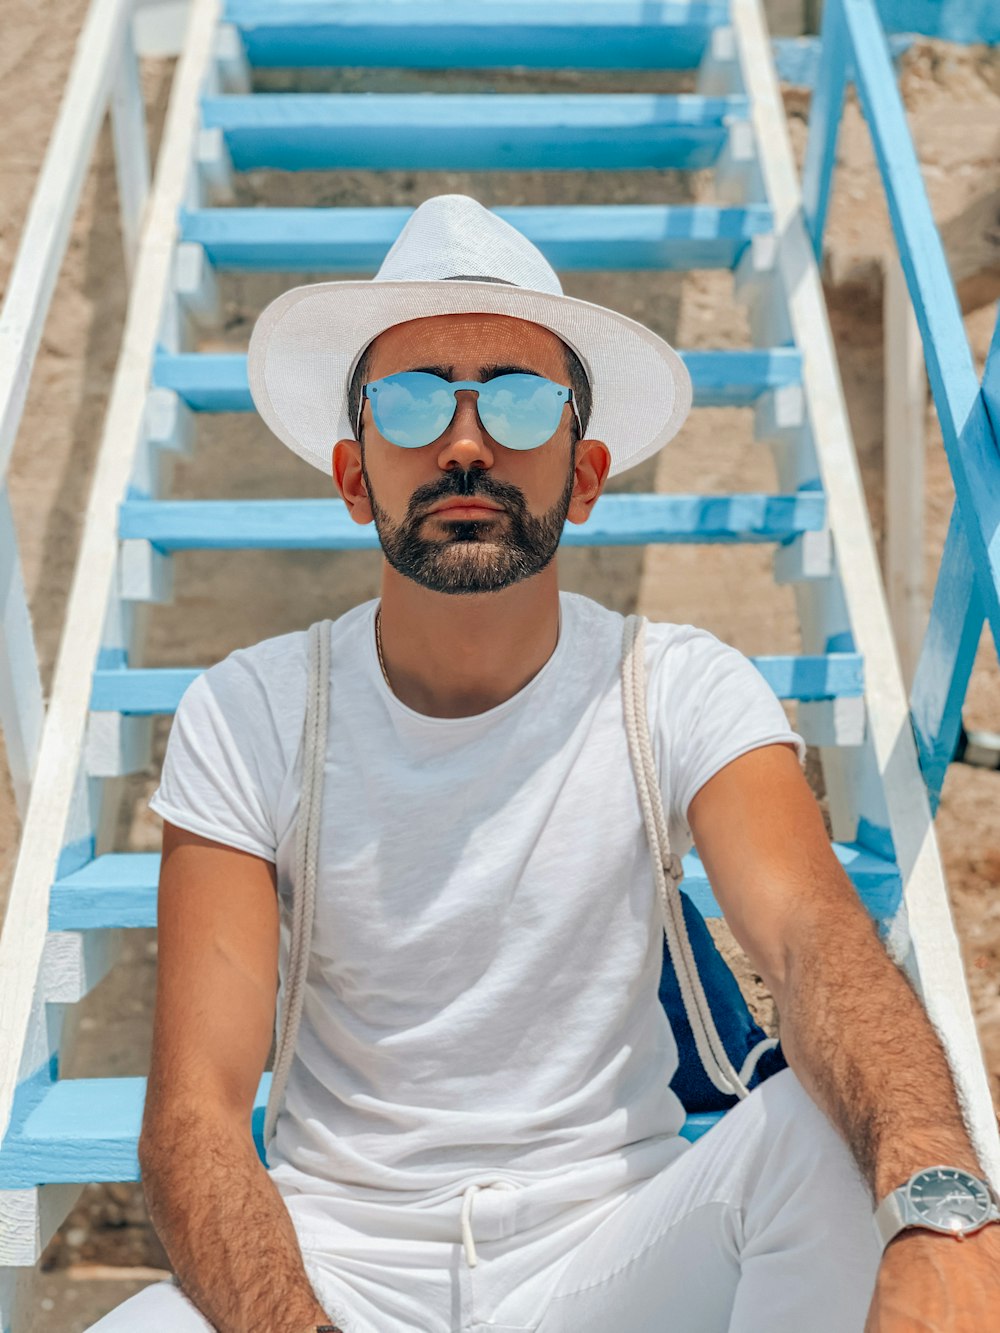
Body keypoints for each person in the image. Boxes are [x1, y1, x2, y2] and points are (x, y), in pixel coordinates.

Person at [89, 195, 999, 1333]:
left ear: (584, 472)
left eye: (520, 404)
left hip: (607, 1257)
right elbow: (198, 1117)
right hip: (342, 1270)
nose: (465, 443)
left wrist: (940, 1207)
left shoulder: (675, 685)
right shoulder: (253, 710)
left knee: (829, 1144)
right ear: (353, 474)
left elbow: (811, 936)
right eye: (412, 401)